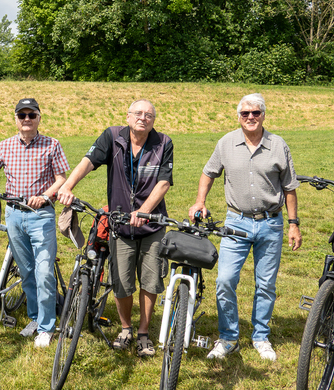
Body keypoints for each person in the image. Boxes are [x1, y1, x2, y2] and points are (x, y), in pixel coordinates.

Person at [188, 93, 301, 361]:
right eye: (245, 113)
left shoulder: (278, 145)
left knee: (266, 284)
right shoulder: (226, 143)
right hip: (236, 222)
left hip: (270, 223)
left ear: (264, 115)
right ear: (238, 116)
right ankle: (228, 338)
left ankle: (261, 337)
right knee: (225, 280)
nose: (250, 117)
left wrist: (293, 224)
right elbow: (208, 172)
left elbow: (289, 187)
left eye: (256, 113)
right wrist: (200, 201)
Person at [58, 99, 173, 358]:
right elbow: (88, 161)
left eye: (149, 115)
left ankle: (143, 333)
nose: (143, 118)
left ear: (154, 121)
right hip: (120, 224)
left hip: (152, 225)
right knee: (121, 282)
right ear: (128, 116)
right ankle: (126, 328)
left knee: (150, 281)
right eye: (138, 113)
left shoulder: (164, 143)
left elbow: (164, 182)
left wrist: (145, 211)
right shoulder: (113, 137)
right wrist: (68, 186)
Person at [0, 98, 69, 348]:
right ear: (16, 119)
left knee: (43, 272)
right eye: (22, 115)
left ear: (39, 117)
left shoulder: (52, 144)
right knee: (26, 271)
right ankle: (35, 318)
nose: (26, 119)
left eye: (31, 115)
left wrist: (45, 196)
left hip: (41, 215)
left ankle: (47, 328)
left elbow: (61, 178)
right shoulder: (5, 145)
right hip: (14, 215)